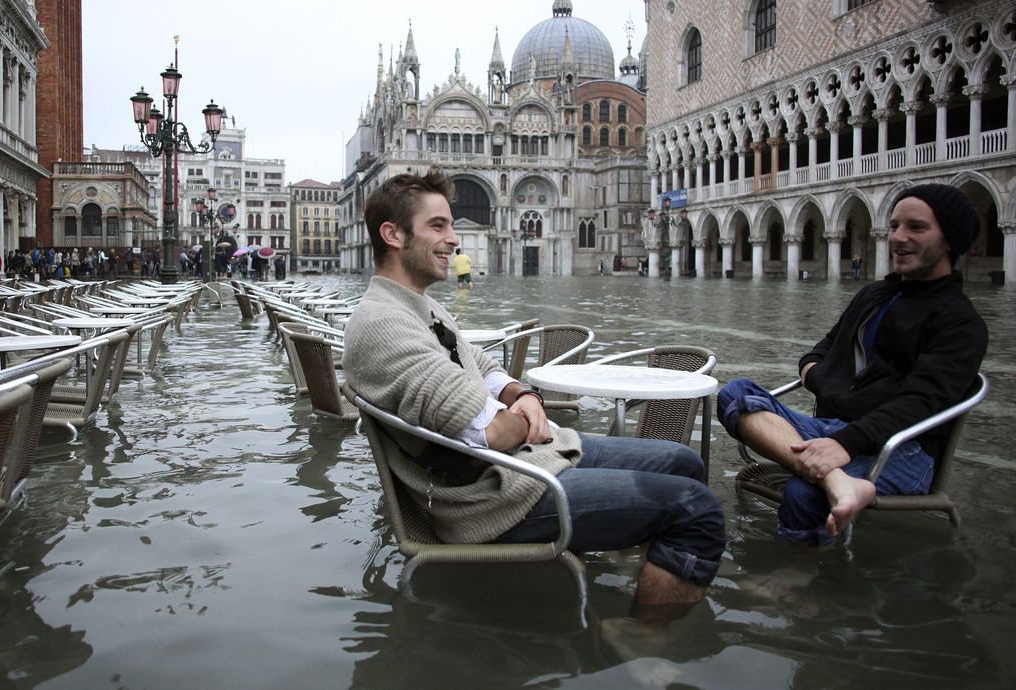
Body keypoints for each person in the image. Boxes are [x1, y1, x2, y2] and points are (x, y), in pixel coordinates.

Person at [342, 169, 725, 611]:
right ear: (392, 234)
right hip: (495, 499)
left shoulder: (418, 304)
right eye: (438, 226)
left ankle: (651, 556)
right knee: (696, 507)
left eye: (452, 224)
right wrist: (519, 419)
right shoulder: (382, 325)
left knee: (683, 461)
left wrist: (522, 395)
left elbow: (481, 365)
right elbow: (494, 435)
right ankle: (645, 642)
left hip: (526, 462)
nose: (455, 239)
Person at [718, 183, 988, 546]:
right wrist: (824, 382)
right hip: (833, 429)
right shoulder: (874, 295)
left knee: (803, 493)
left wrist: (846, 441)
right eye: (894, 226)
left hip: (902, 448)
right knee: (736, 393)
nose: (898, 237)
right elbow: (820, 352)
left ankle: (801, 580)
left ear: (950, 240)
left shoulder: (962, 323)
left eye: (916, 227)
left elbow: (919, 403)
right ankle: (837, 481)